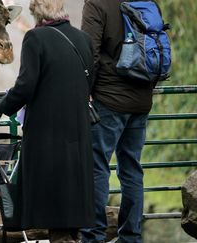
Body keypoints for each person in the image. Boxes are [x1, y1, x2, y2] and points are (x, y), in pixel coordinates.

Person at [0, 0, 95, 241]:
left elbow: (25, 86)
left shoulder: (35, 39)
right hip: (78, 131)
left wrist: (1, 106)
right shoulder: (82, 39)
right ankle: (70, 237)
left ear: (37, 14)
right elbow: (90, 81)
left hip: (48, 134)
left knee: (52, 197)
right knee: (71, 193)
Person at [80, 1, 157, 242]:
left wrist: (85, 91)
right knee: (132, 169)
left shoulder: (96, 4)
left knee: (97, 166)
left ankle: (93, 235)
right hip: (141, 99)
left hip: (109, 99)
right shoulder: (146, 2)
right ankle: (131, 236)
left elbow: (88, 52)